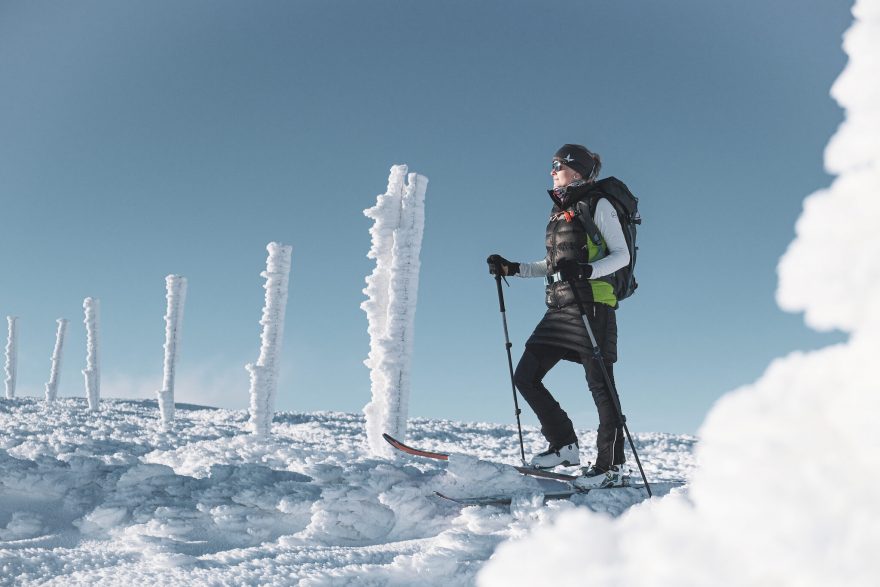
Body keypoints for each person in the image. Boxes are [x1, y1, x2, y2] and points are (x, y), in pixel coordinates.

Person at [487, 144, 630, 488]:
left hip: (593, 304)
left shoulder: (599, 204)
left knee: (601, 387)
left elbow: (621, 255)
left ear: (577, 170)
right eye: (551, 164)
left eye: (558, 165)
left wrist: (586, 270)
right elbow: (552, 265)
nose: (552, 170)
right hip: (560, 307)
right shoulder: (558, 212)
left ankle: (612, 466)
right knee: (526, 375)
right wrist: (513, 268)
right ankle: (564, 445)